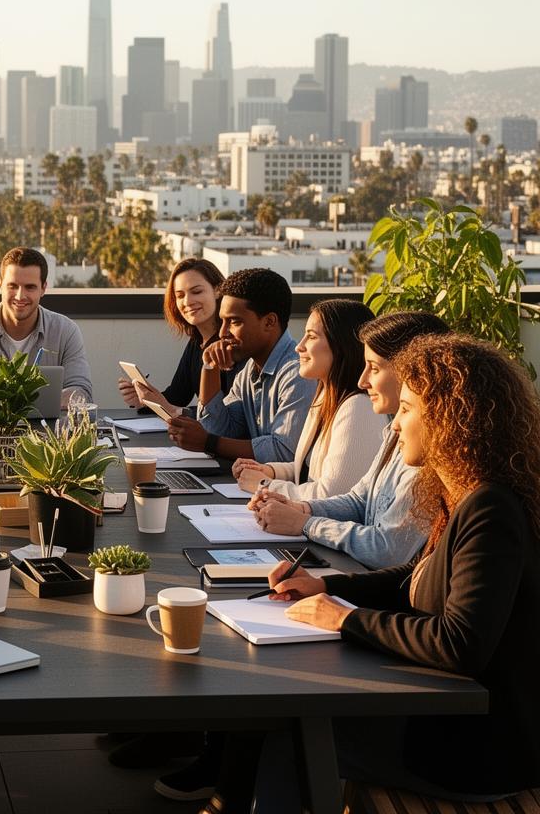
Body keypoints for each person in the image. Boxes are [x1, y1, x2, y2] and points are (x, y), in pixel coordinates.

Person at [205, 334, 540, 812]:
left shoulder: (490, 509)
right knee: (283, 716)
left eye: (406, 409)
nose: (395, 424)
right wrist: (327, 586)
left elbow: (458, 644)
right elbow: (417, 578)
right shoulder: (466, 495)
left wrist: (343, 618)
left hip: (474, 750)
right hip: (447, 721)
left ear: (450, 419)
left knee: (288, 731)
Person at [246, 310, 447, 569]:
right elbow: (358, 500)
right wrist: (301, 509)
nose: (363, 381)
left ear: (413, 374)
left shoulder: (427, 449)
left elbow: (387, 549)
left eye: (374, 368)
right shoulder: (394, 432)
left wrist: (304, 523)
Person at [230, 299, 385, 498]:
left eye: (311, 337)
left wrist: (264, 485)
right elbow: (307, 470)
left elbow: (332, 495)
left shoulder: (359, 408)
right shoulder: (324, 398)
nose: (299, 347)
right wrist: (269, 470)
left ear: (340, 345)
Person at [166, 268, 316, 462]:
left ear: (269, 322)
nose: (222, 333)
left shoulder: (298, 373)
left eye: (234, 322)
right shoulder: (248, 372)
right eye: (222, 321)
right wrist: (209, 368)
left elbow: (283, 452)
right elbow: (220, 430)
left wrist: (208, 443)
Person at [0, 246, 93, 408]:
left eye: (30, 287)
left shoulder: (65, 331)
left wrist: (21, 406)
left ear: (43, 288)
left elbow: (82, 391)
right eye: (13, 286)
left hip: (49, 431)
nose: (20, 296)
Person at [116, 258, 236, 415]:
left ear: (217, 290)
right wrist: (145, 399)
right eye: (180, 295)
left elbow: (228, 414)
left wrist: (172, 409)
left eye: (197, 292)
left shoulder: (231, 344)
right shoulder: (196, 342)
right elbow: (177, 396)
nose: (187, 301)